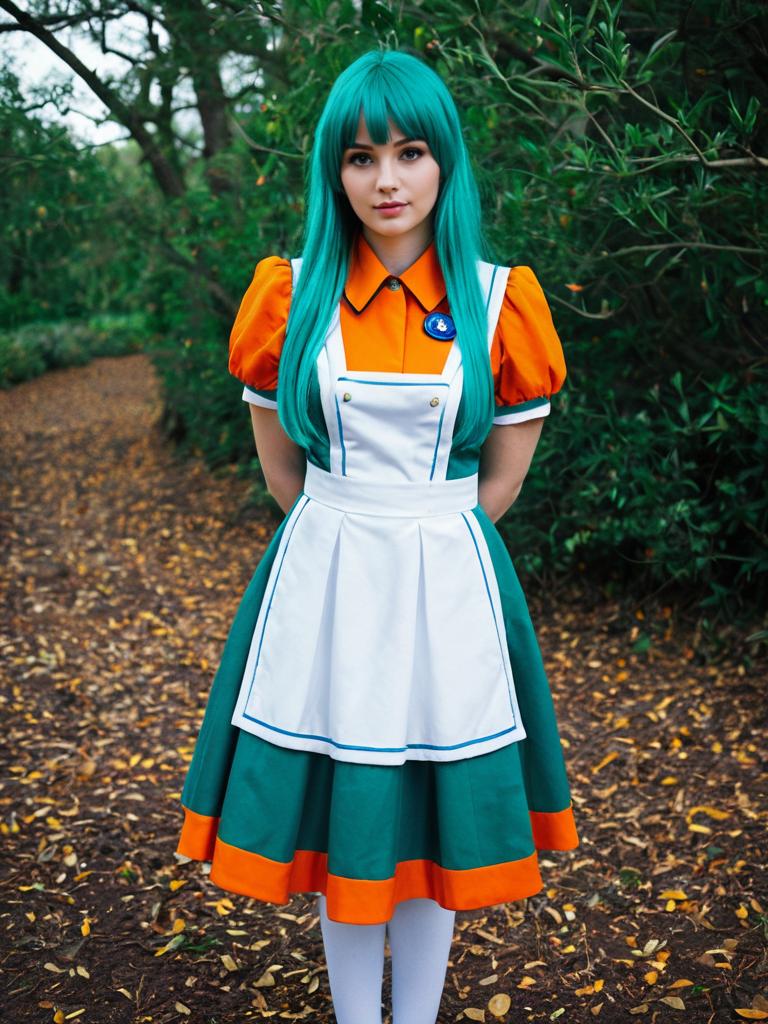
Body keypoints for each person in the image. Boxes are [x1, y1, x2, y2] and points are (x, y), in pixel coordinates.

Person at [174, 47, 579, 1024]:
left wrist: (420, 553)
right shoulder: (289, 294)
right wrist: (355, 544)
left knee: (429, 833)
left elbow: (502, 482)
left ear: (445, 163)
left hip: (447, 587)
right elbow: (281, 470)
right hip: (326, 579)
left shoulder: (498, 300)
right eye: (361, 157)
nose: (387, 179)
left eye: (409, 152)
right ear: (335, 171)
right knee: (351, 831)